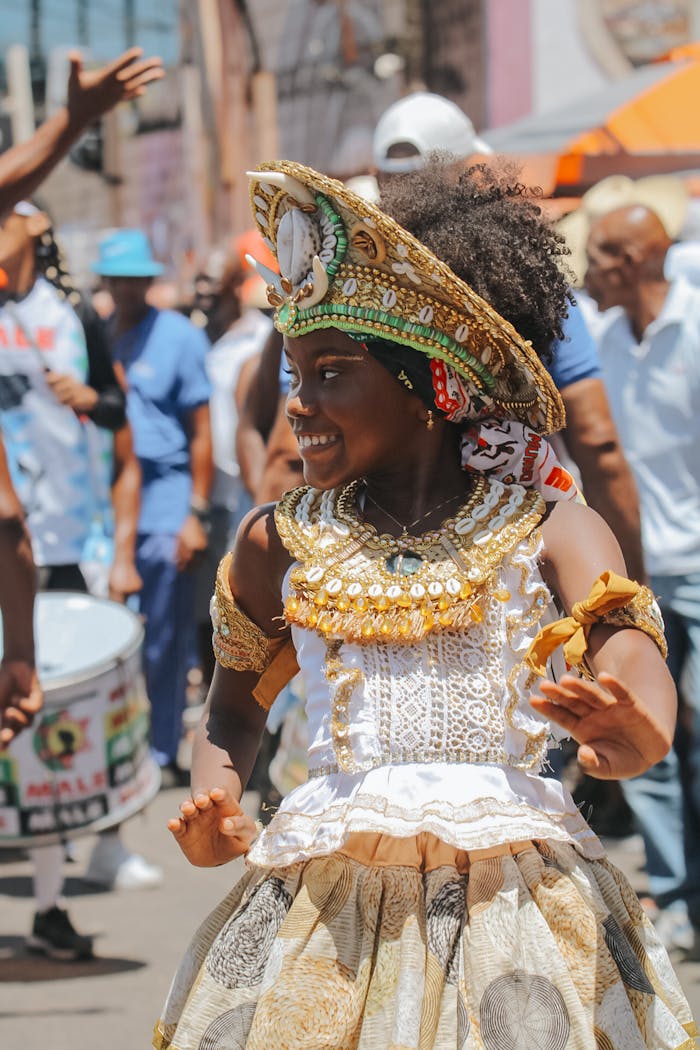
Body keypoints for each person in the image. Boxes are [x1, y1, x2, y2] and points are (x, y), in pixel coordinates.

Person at [154, 160, 695, 1049]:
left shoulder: (550, 524)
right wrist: (216, 805)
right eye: (294, 374)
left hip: (516, 903)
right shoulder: (275, 541)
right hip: (326, 908)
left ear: (435, 386)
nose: (299, 404)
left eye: (331, 372)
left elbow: (626, 646)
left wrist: (636, 722)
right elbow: (232, 703)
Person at [586, 203, 700, 954]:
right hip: (636, 573)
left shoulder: (695, 331)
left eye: (595, 254)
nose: (585, 268)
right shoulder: (598, 343)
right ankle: (679, 899)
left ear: (630, 261)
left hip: (697, 565)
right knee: (642, 733)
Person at [93, 229, 213, 784]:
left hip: (166, 500)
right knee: (112, 635)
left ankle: (162, 752)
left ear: (147, 282)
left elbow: (202, 432)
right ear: (106, 282)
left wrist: (195, 511)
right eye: (117, 279)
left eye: (135, 279)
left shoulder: (178, 339)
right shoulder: (97, 336)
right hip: (108, 500)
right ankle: (114, 750)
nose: (126, 288)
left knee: (166, 636)